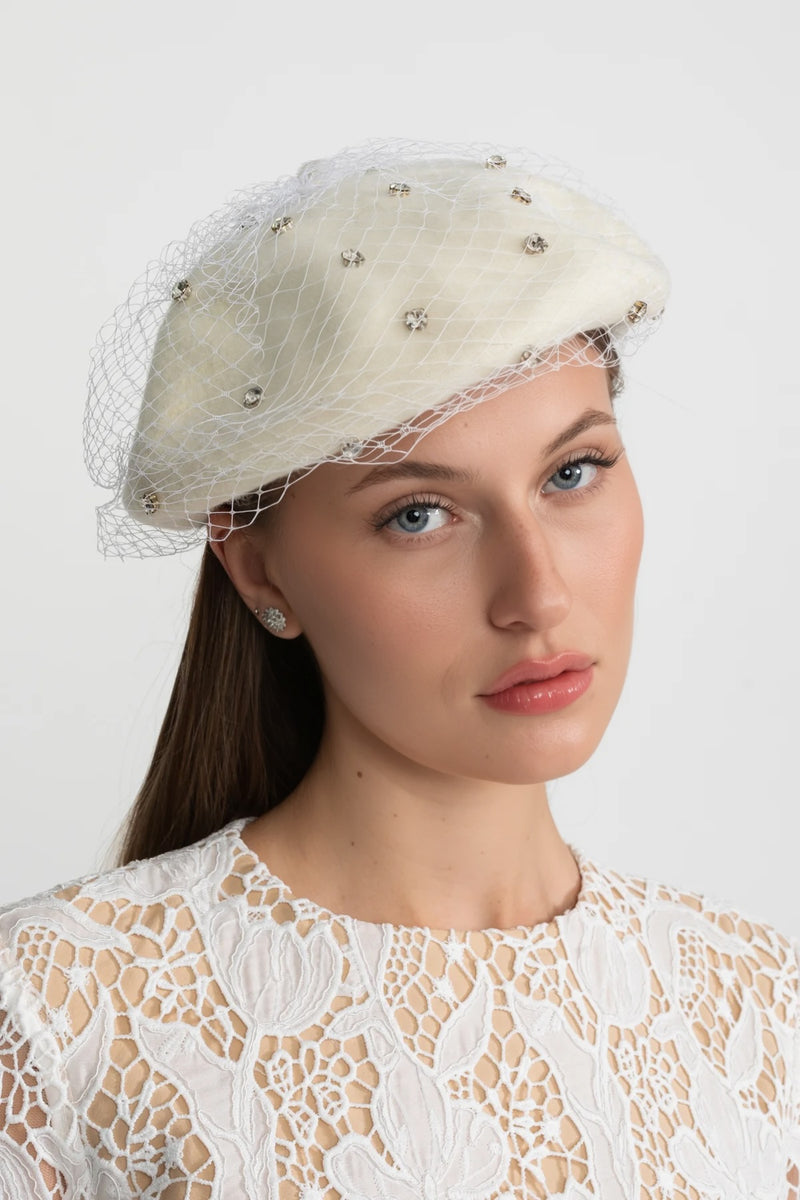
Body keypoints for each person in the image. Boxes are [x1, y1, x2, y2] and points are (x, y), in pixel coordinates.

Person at [0, 138, 797, 1198]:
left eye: (572, 472)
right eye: (418, 514)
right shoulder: (60, 1016)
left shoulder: (756, 1010)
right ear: (256, 568)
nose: (537, 595)